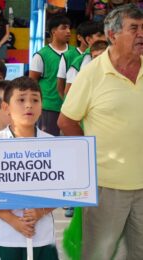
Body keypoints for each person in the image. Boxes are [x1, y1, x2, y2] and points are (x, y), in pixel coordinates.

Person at [58, 4, 143, 259]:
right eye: (134, 28)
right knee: (98, 255)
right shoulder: (91, 73)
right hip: (106, 187)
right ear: (113, 35)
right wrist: (91, 155)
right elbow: (66, 121)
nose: (141, 34)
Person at [0, 76, 58, 260]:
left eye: (35, 100)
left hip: (42, 236)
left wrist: (41, 211)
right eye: (21, 100)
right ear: (6, 107)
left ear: (42, 106)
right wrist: (13, 221)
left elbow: (62, 190)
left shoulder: (53, 144)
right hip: (5, 237)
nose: (28, 105)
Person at [29, 15, 73, 136]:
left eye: (69, 28)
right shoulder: (41, 55)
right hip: (49, 108)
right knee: (49, 145)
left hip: (72, 108)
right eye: (64, 28)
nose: (68, 31)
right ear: (53, 31)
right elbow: (32, 83)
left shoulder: (75, 53)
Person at [56, 21, 103, 102]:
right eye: (99, 35)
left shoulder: (109, 55)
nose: (104, 38)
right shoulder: (75, 59)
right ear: (87, 39)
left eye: (104, 34)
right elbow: (62, 86)